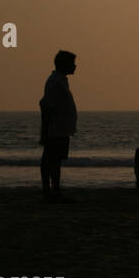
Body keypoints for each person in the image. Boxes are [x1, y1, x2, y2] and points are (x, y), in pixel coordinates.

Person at [39, 50, 78, 203]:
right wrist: (45, 131)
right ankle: (50, 191)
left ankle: (53, 190)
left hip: (60, 129)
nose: (75, 66)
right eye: (72, 63)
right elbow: (47, 106)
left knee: (54, 160)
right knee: (51, 160)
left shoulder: (60, 80)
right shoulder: (55, 82)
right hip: (55, 129)